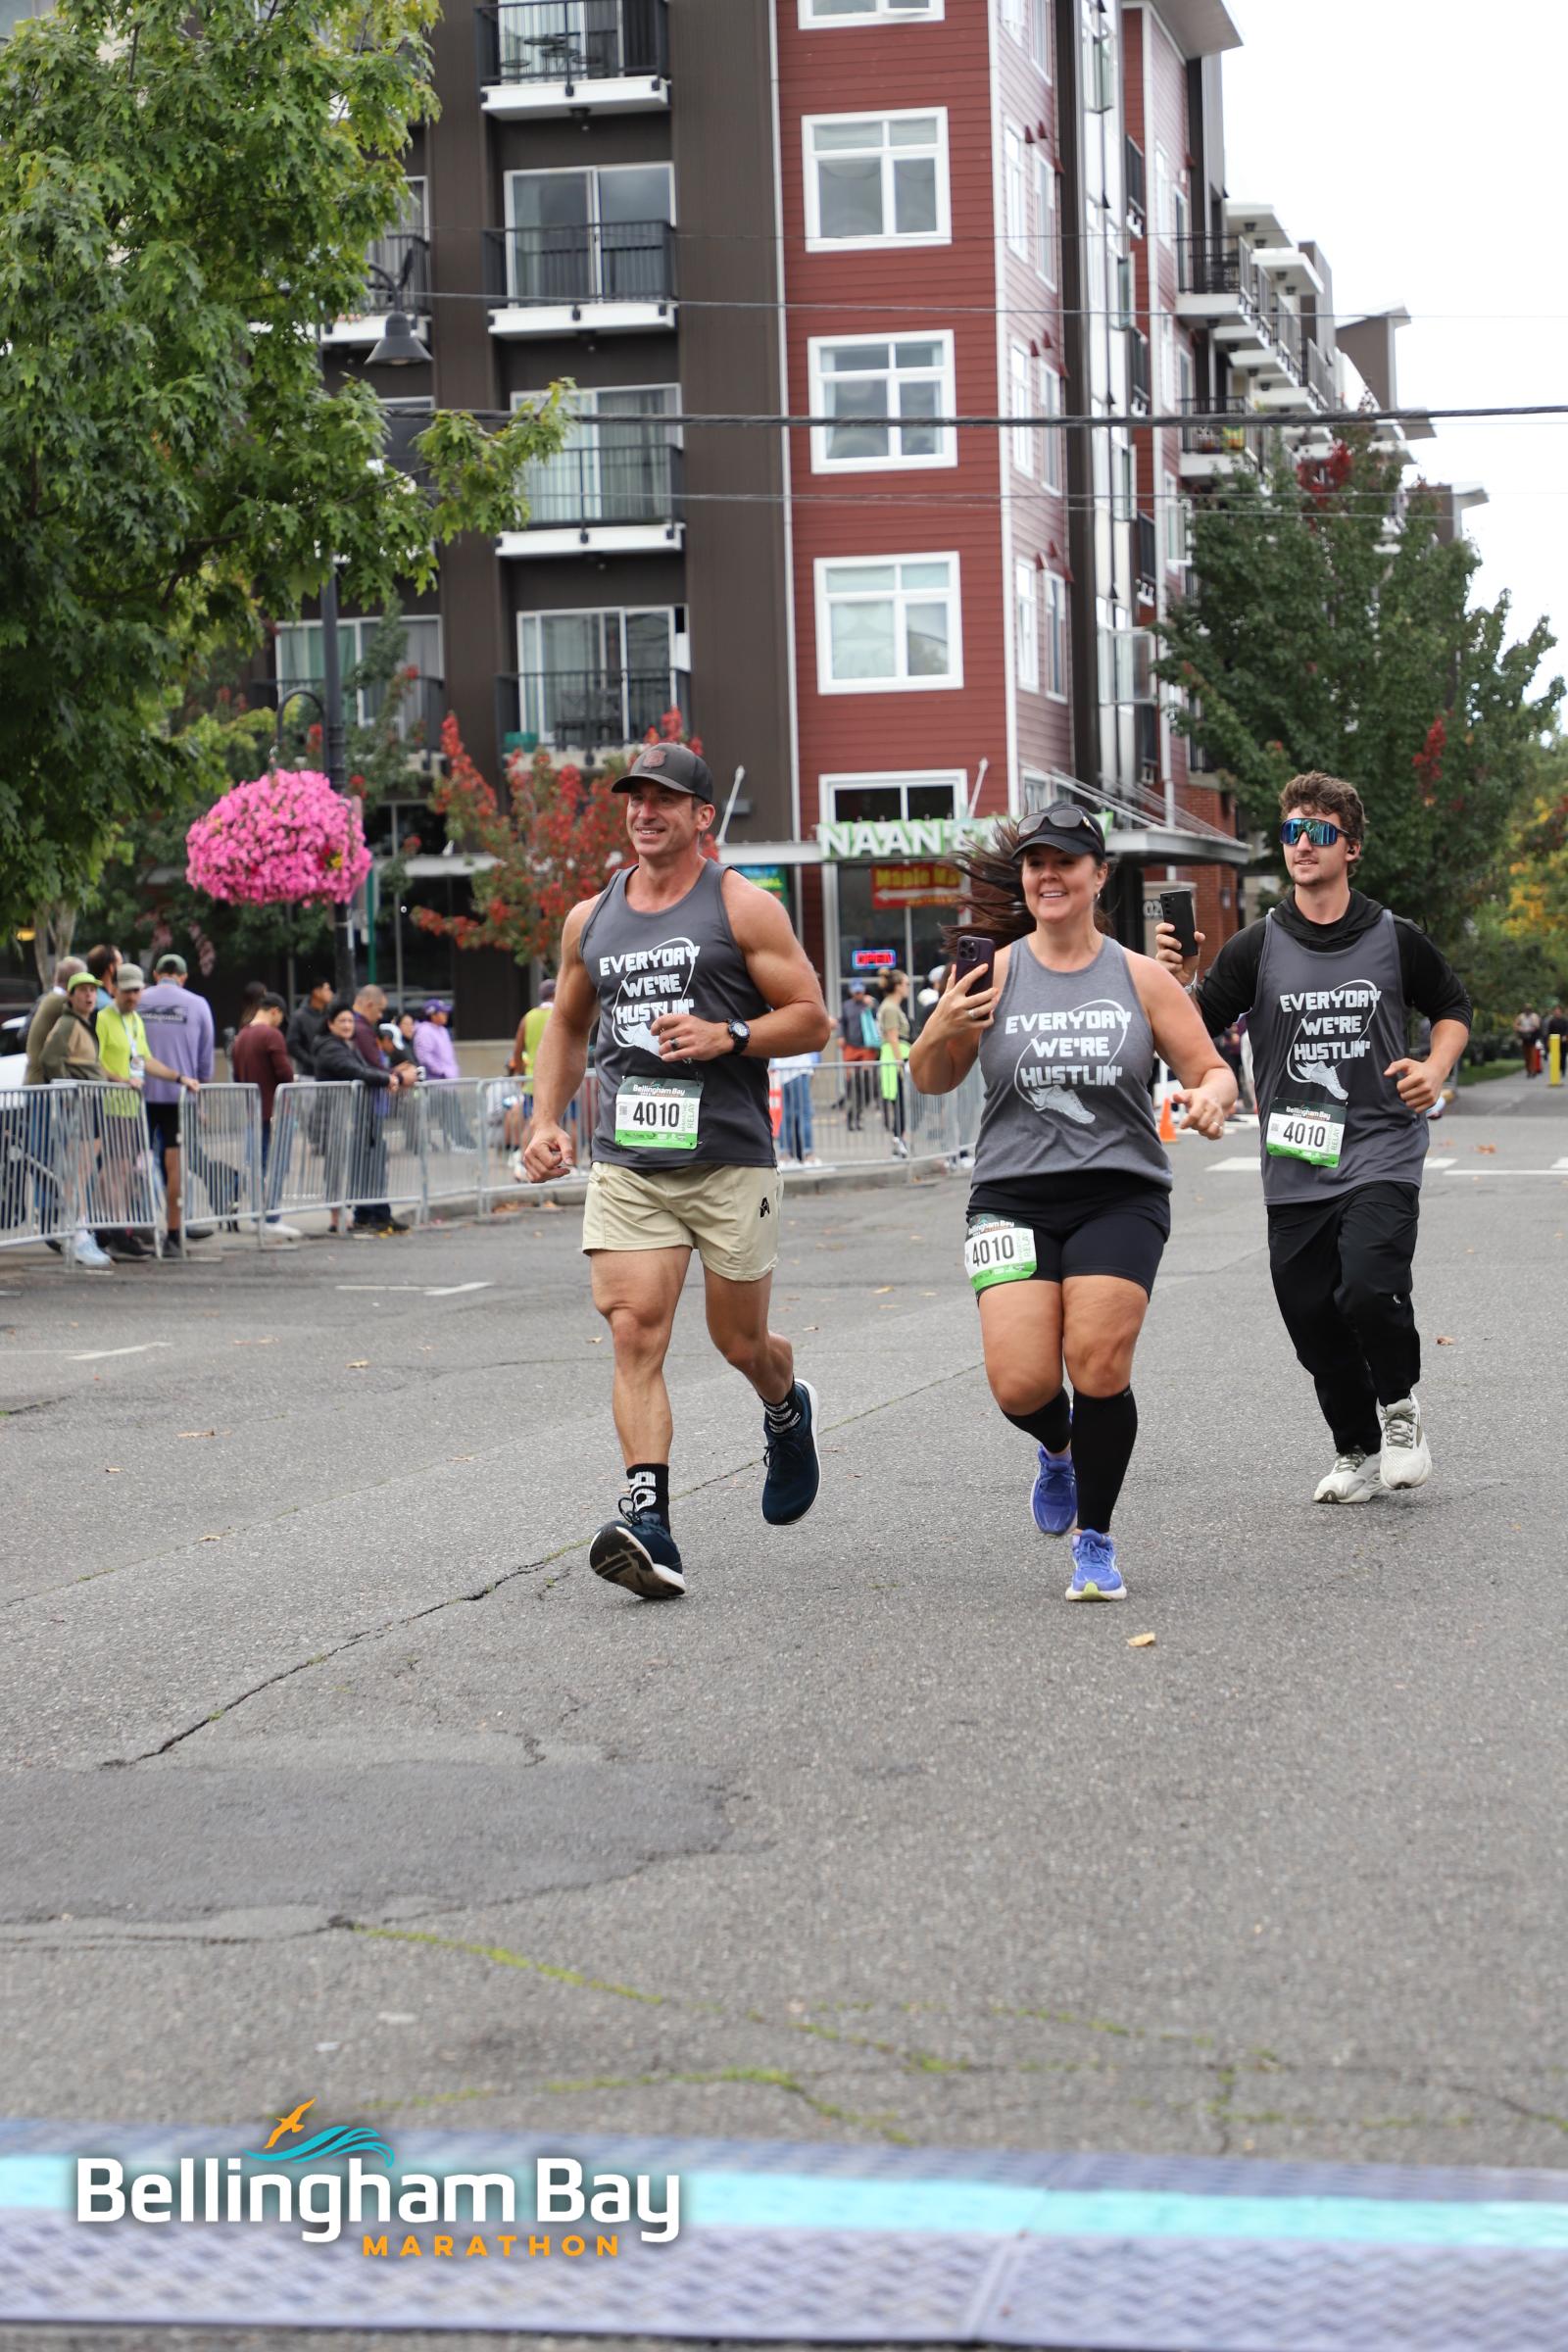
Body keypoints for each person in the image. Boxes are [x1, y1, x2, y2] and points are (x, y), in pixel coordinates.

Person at [523, 740, 833, 1601]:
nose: (645, 812)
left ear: (703, 816)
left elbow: (812, 1019)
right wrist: (545, 1119)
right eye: (635, 798)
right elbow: (568, 1025)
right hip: (631, 1163)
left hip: (729, 1157)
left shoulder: (744, 907)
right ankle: (649, 1519)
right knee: (634, 1329)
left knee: (739, 1342)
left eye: (663, 799)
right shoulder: (591, 919)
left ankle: (786, 1407)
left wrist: (729, 1034)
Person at [911, 805, 1234, 1603]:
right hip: (1010, 1196)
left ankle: (1096, 1538)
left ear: (1098, 876)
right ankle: (1057, 1447)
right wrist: (941, 1024)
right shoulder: (987, 974)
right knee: (1020, 1385)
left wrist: (1211, 1098)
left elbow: (1211, 1068)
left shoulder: (1139, 977)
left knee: (1097, 1363)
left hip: (1119, 1192)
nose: (1048, 876)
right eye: (1035, 863)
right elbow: (931, 1078)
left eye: (1065, 862)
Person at [1155, 771, 1471, 1505]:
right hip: (1296, 1159)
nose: (1302, 844)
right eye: (1292, 831)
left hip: (1381, 1147)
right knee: (1309, 1316)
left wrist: (1435, 1068)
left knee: (1368, 1286)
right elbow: (1190, 1032)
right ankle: (1356, 1447)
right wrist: (1179, 979)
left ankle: (1400, 1410)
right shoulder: (1256, 947)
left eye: (1319, 832)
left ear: (1350, 848)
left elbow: (1452, 1007)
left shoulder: (1394, 937)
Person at [94, 962, 202, 1259]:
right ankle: (114, 1233)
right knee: (115, 1171)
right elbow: (95, 1062)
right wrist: (120, 1080)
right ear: (115, 990)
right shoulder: (103, 1018)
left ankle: (116, 1231)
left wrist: (179, 1078)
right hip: (110, 1105)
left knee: (124, 1172)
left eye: (136, 991)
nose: (132, 997)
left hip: (132, 1107)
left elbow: (145, 1059)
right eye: (126, 991)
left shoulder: (135, 1020)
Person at [313, 996, 418, 1233]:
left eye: (350, 1021)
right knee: (337, 1167)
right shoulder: (330, 1047)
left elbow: (364, 1069)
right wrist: (393, 1078)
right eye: (342, 1021)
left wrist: (390, 1076)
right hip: (336, 1117)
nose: (347, 1025)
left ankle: (356, 1215)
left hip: (351, 1116)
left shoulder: (346, 1045)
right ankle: (339, 1218)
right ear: (330, 1024)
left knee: (351, 1166)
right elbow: (357, 1071)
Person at [138, 953, 215, 1256]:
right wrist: (200, 1094)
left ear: (156, 974)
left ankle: (139, 1228)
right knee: (175, 1169)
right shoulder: (198, 1004)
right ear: (182, 977)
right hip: (179, 1098)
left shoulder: (137, 1000)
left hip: (139, 1096)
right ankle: (174, 1234)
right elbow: (205, 1060)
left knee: (135, 1165)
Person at [38, 972, 116, 1269]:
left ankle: (81, 1233)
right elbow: (49, 1059)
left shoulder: (83, 1023)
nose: (89, 995)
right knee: (78, 1172)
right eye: (82, 990)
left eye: (92, 990)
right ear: (70, 996)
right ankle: (79, 1235)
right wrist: (68, 1091)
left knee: (82, 1171)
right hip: (80, 1104)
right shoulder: (69, 1023)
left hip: (89, 1103)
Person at [229, 993, 300, 1236]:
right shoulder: (271, 1035)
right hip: (277, 1110)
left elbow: (236, 1076)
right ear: (275, 1011)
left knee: (255, 1165)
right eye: (280, 1017)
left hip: (253, 1111)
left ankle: (257, 1215)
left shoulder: (241, 1036)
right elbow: (285, 1073)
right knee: (278, 1164)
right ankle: (272, 1216)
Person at [23, 958, 87, 1086]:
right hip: (43, 1084)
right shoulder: (62, 1002)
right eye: (84, 986)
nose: (88, 992)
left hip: (37, 1081)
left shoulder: (50, 998)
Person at [878, 971, 912, 1157]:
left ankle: (899, 1141)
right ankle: (898, 1141)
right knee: (899, 1102)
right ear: (898, 986)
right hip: (895, 1057)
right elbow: (893, 1038)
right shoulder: (890, 1008)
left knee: (901, 1103)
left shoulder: (892, 1006)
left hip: (897, 1055)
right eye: (906, 984)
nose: (908, 987)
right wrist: (900, 1064)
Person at [838, 983, 879, 1131]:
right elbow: (842, 1022)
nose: (858, 995)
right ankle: (851, 1114)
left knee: (866, 1083)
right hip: (851, 1047)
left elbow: (878, 1019)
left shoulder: (870, 1004)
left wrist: (873, 1005)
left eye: (860, 992)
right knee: (852, 1083)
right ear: (851, 993)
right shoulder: (847, 1006)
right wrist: (841, 1036)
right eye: (855, 992)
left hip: (867, 1047)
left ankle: (858, 1112)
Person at [774, 1048, 822, 1167]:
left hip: (784, 1071)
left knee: (787, 1116)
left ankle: (785, 1155)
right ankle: (808, 1155)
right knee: (804, 1114)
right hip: (798, 1069)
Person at [286, 978, 333, 1077]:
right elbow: (292, 1045)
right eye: (327, 989)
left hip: (331, 1071)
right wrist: (311, 1061)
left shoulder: (330, 1014)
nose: (331, 993)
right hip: (308, 1075)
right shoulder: (299, 1016)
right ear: (317, 992)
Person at [413, 1000, 461, 1082]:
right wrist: (441, 1072)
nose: (446, 1015)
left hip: (449, 1079)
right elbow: (424, 1057)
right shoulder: (424, 1031)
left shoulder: (443, 1030)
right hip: (435, 1082)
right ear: (432, 1015)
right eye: (442, 1012)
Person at [84, 943, 122, 1013]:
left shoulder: (89, 997)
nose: (122, 968)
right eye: (120, 964)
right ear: (111, 968)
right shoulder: (106, 1006)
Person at [1514, 1004, 1542, 1078]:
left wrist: (1533, 1023)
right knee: (1526, 1055)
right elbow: (1515, 1026)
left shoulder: (1534, 1016)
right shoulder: (1521, 1016)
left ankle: (1533, 1070)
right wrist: (1521, 1028)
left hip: (1532, 1037)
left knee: (1533, 1054)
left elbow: (1538, 1026)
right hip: (1524, 1037)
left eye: (1529, 1009)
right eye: (1526, 1009)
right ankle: (1528, 1070)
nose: (1527, 1011)